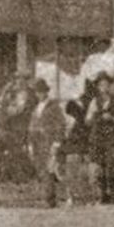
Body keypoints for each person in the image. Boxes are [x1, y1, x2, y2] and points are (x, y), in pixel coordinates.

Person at [28, 78, 67, 207]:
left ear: (46, 92)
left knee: (50, 169)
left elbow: (61, 125)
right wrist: (30, 143)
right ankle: (45, 197)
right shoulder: (36, 108)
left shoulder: (54, 107)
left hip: (49, 141)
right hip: (37, 142)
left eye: (41, 91)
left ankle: (50, 199)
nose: (39, 94)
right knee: (41, 169)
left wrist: (57, 142)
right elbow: (32, 126)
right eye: (37, 92)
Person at [86, 71, 114, 203]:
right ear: (98, 87)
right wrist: (95, 115)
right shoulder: (94, 102)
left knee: (111, 164)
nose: (104, 87)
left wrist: (112, 118)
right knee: (99, 165)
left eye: (106, 84)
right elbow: (87, 121)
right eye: (101, 85)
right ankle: (102, 195)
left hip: (111, 137)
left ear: (110, 86)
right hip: (98, 137)